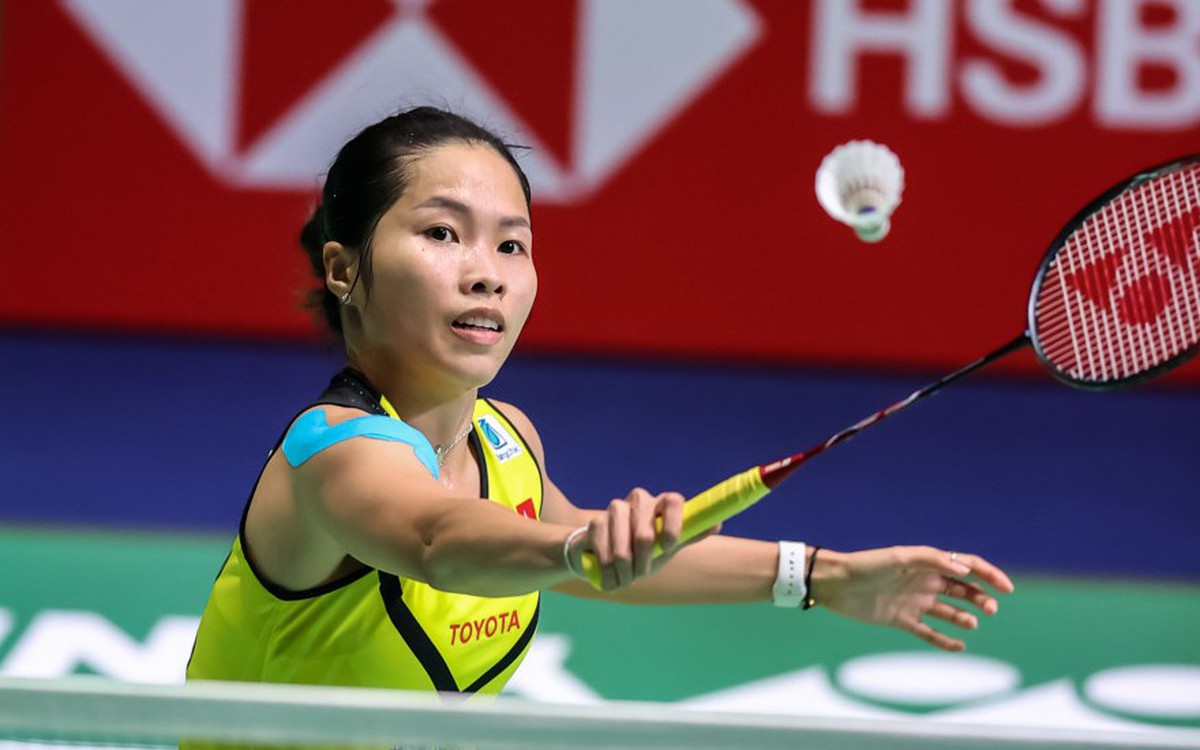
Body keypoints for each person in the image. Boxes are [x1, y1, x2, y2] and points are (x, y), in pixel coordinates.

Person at [186, 106, 1013, 695]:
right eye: (442, 233)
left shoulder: (507, 438)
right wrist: (578, 546)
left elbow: (583, 561)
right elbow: (440, 541)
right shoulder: (333, 451)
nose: (486, 273)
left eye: (512, 244)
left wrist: (824, 577)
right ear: (343, 270)